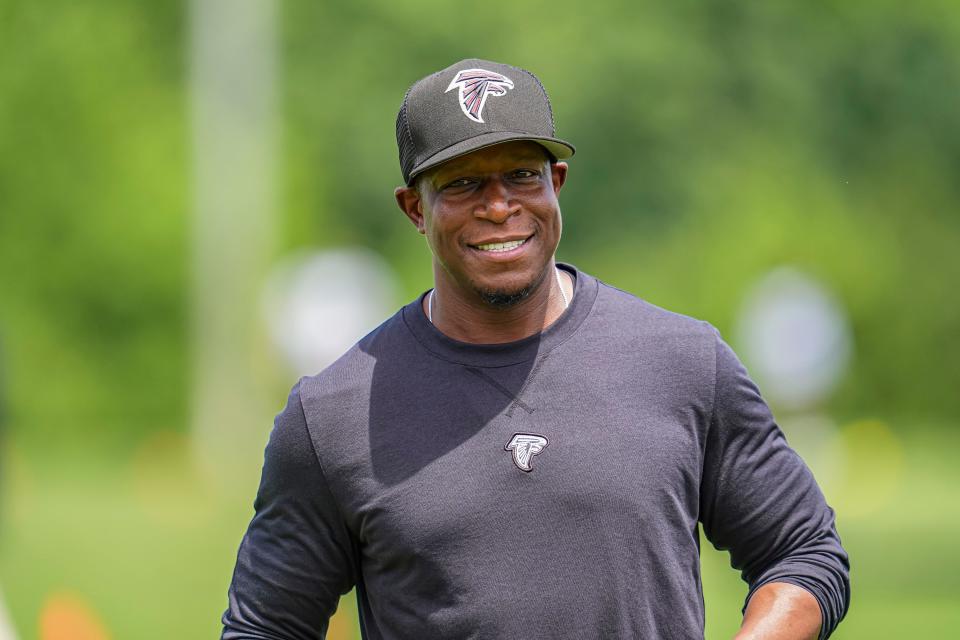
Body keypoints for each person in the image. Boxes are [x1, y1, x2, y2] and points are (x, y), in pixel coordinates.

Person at [222, 59, 850, 640]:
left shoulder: (682, 362)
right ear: (415, 208)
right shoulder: (332, 415)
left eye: (522, 175)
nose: (499, 207)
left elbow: (804, 553)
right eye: (463, 184)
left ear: (557, 183)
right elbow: (264, 629)